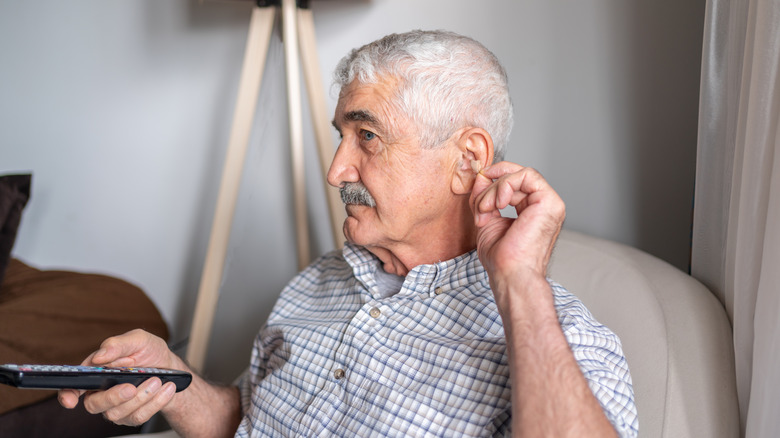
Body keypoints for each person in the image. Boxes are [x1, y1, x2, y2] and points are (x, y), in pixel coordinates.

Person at [59, 30, 638, 437]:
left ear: (467, 160)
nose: (336, 171)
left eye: (367, 137)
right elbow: (253, 422)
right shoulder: (320, 280)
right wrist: (175, 381)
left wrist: (519, 283)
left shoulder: (555, 337)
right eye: (341, 136)